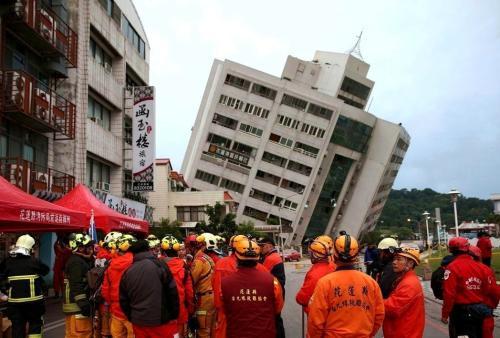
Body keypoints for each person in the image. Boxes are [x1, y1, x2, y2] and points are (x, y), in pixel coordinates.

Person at [307, 232, 385, 338]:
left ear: (334, 255)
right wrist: (368, 334)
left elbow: (316, 321)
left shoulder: (325, 283)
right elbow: (379, 315)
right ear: (356, 255)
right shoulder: (371, 283)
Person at [218, 236, 284, 338]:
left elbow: (222, 308)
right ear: (257, 257)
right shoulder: (272, 281)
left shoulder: (224, 283)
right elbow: (278, 308)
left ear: (237, 257)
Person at [119, 239, 179, 338]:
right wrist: (174, 315)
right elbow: (172, 292)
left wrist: (132, 317)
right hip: (161, 321)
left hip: (139, 322)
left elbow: (123, 300)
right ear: (148, 249)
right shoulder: (160, 265)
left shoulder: (127, 272)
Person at [441, 237, 493, 338]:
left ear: (450, 250)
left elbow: (449, 294)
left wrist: (445, 314)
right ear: (467, 248)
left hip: (461, 313)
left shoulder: (452, 267)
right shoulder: (482, 267)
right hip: (479, 311)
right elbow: (487, 290)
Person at [0, 234, 49, 338]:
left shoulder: (8, 262)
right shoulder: (34, 261)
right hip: (34, 303)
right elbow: (46, 270)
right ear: (30, 248)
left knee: (17, 328)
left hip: (14, 304)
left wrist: (4, 293)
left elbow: (2, 276)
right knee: (35, 325)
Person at [383, 246, 425, 338]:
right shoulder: (404, 279)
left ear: (410, 263)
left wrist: (372, 300)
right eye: (394, 259)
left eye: (399, 259)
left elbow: (392, 308)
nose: (394, 262)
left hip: (404, 333)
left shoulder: (409, 284)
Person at [160, 235, 195, 338]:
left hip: (161, 313)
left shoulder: (156, 265)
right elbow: (189, 293)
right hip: (180, 312)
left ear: (162, 250)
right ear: (177, 250)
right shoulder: (183, 267)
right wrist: (191, 310)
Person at [101, 233, 135, 338]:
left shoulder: (111, 264)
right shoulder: (136, 262)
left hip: (116, 310)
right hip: (133, 311)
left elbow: (105, 290)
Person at [63, 233, 95, 338]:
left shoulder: (78, 260)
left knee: (73, 334)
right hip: (78, 307)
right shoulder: (76, 262)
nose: (91, 250)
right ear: (80, 248)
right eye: (88, 247)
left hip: (76, 306)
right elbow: (76, 284)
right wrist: (83, 304)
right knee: (82, 334)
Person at [295, 238, 336, 313]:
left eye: (310, 253)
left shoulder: (315, 274)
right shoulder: (333, 266)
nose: (309, 256)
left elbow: (302, 298)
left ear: (315, 254)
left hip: (318, 315)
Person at [468, 245, 500, 338]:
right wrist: (492, 305)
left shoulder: (455, 267)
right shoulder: (486, 269)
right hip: (484, 309)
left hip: (463, 311)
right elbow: (495, 292)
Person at [258, 236, 286, 338]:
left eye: (262, 246)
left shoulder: (271, 258)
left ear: (269, 246)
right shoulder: (273, 256)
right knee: (276, 318)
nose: (260, 248)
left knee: (275, 319)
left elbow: (261, 273)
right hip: (278, 290)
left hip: (275, 292)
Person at [190, 233, 216, 338]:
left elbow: (192, 280)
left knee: (203, 330)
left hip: (204, 299)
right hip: (211, 297)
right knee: (212, 329)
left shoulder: (199, 260)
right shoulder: (208, 258)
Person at [53, 234, 72, 299]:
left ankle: (61, 294)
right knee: (57, 280)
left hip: (63, 267)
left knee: (62, 281)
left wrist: (60, 248)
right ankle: (57, 293)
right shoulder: (60, 248)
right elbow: (56, 247)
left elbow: (65, 252)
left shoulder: (66, 250)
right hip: (59, 267)